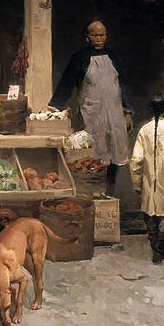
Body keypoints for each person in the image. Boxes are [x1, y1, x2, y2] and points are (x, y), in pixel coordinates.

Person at [49, 20, 134, 195]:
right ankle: (94, 192)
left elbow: (122, 85)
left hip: (115, 112)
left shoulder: (112, 56)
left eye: (102, 35)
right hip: (93, 114)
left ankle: (110, 192)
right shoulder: (80, 57)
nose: (98, 39)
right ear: (87, 38)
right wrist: (55, 108)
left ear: (106, 36)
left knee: (116, 154)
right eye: (95, 35)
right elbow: (67, 82)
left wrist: (128, 112)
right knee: (96, 153)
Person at [130, 93, 164, 265]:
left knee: (151, 220)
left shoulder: (143, 131)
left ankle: (156, 249)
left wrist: (137, 183)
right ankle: (161, 246)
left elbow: (136, 161)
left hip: (148, 187)